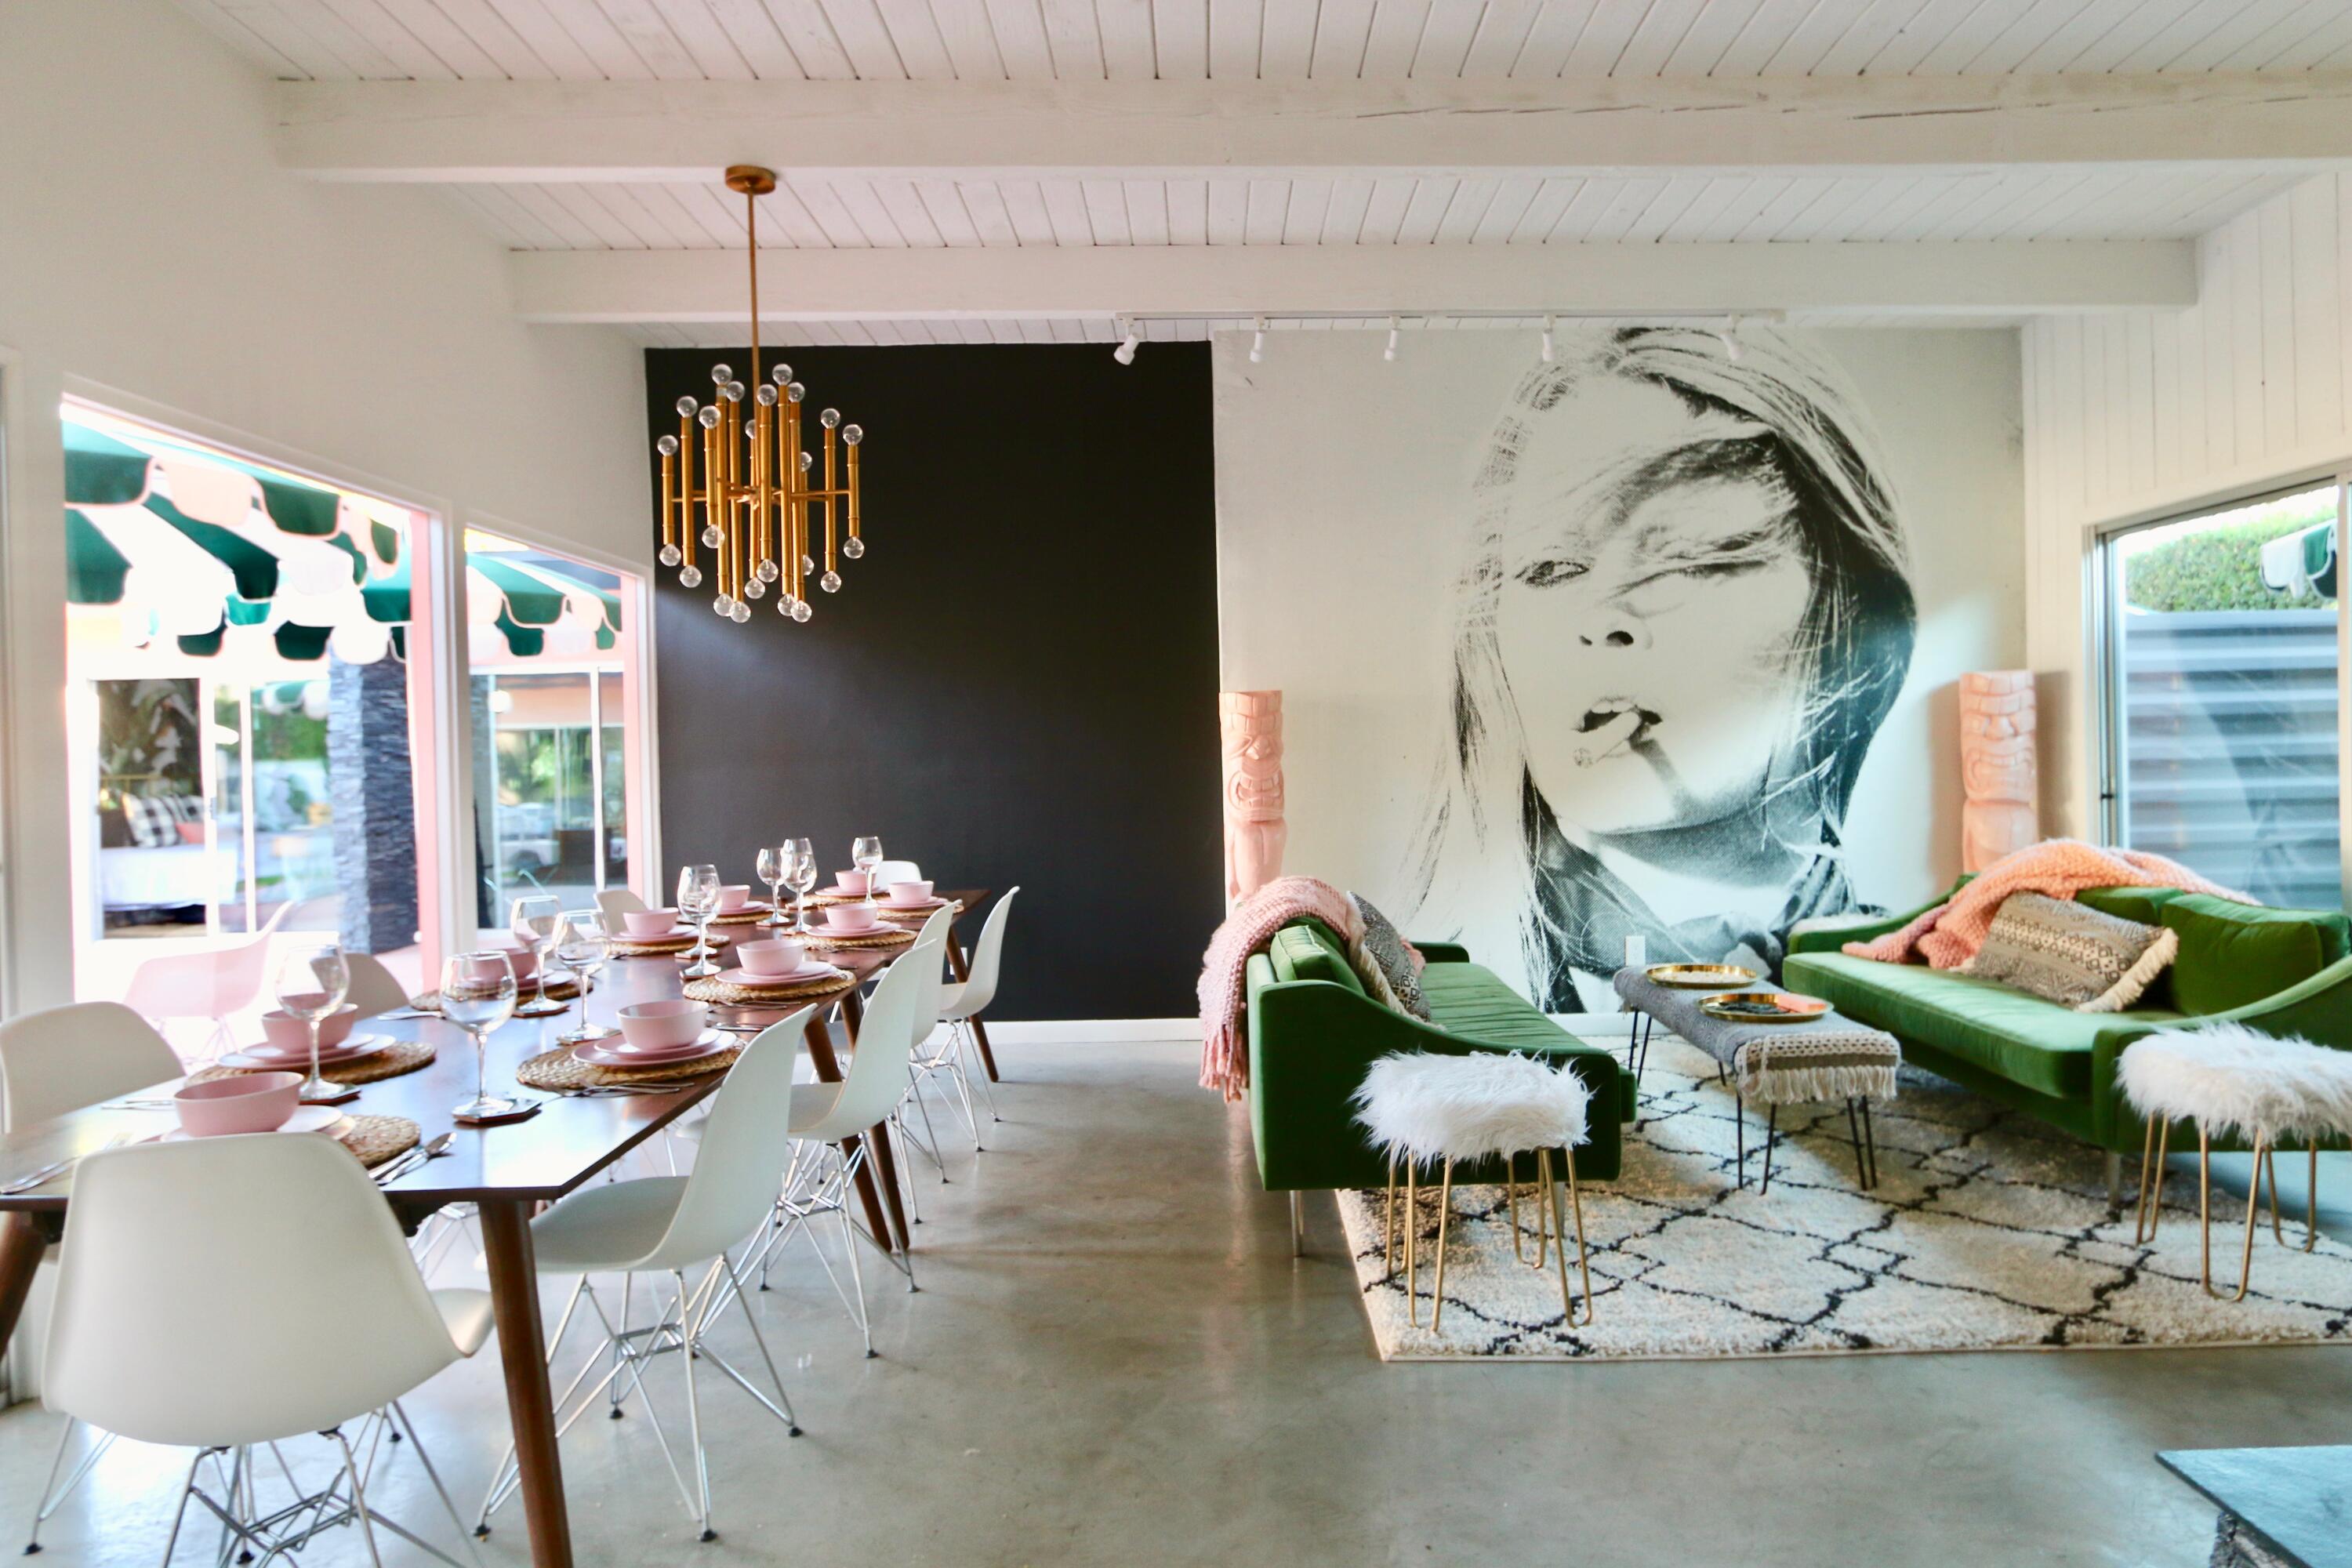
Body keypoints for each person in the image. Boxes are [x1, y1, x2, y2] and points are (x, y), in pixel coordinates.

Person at [1406, 325, 1916, 1011]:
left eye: (1689, 560)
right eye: (1550, 568)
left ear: (1845, 606)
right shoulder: (1436, 985)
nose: (1600, 616)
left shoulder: (1913, 971)